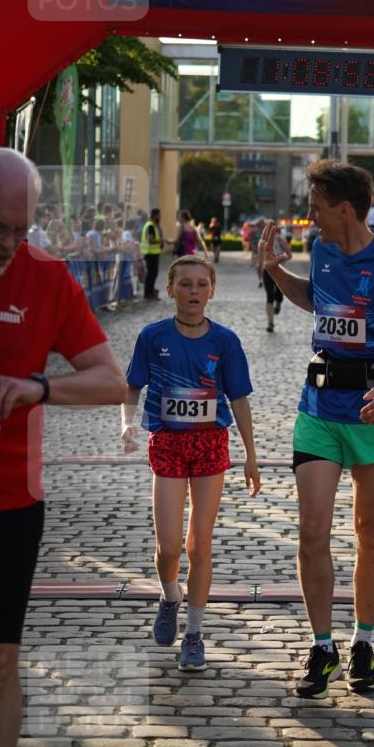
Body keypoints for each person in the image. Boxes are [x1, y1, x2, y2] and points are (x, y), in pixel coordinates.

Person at [0, 149, 126, 747]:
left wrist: (34, 386)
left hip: (10, 503)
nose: (7, 242)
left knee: (2, 664)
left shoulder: (46, 278)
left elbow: (112, 380)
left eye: (19, 227)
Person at [259, 161, 374, 699]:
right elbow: (317, 300)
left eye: (315, 208)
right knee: (312, 532)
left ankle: (363, 642)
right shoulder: (325, 250)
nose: (308, 217)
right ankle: (322, 646)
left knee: (369, 533)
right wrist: (273, 270)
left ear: (345, 210)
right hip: (318, 408)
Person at [120, 255, 261, 672]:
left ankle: (194, 634)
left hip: (210, 445)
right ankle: (169, 597)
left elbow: (239, 400)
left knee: (199, 543)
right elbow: (132, 385)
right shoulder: (152, 336)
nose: (194, 292)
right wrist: (126, 426)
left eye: (202, 285)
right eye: (185, 284)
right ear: (171, 290)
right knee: (167, 549)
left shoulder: (226, 341)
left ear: (212, 291)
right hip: (167, 444)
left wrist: (251, 456)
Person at [256, 227, 292, 332]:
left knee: (279, 294)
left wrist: (279, 259)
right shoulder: (263, 242)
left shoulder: (280, 240)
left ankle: (279, 302)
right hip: (267, 271)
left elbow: (289, 255)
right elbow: (259, 260)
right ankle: (270, 322)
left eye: (274, 232)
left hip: (280, 270)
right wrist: (259, 270)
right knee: (269, 296)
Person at [141, 207, 165, 300]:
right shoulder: (150, 226)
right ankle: (148, 294)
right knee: (151, 274)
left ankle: (150, 292)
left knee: (153, 274)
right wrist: (161, 241)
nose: (160, 217)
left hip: (153, 253)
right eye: (159, 215)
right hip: (150, 253)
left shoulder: (152, 225)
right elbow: (150, 240)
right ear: (155, 215)